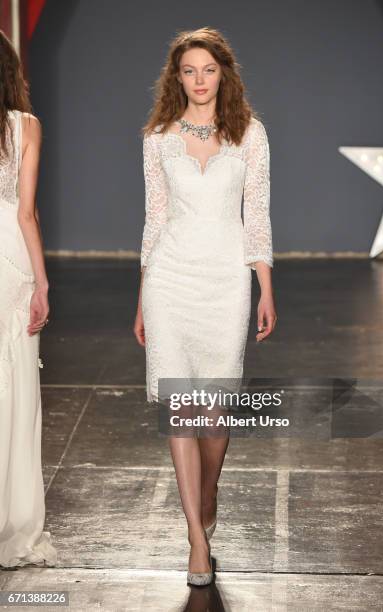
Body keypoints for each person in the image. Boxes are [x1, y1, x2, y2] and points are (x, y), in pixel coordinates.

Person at [134, 27, 277, 586]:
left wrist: (265, 284)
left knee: (214, 415)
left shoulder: (250, 134)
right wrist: (141, 296)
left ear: (224, 74)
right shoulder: (157, 138)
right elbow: (154, 218)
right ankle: (197, 536)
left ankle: (207, 491)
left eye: (208, 70)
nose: (198, 80)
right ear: (177, 77)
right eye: (189, 71)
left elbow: (257, 213)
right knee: (181, 409)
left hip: (223, 279)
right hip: (169, 279)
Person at [0, 30, 57, 569]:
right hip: (10, 258)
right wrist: (42, 282)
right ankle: (13, 520)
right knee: (16, 386)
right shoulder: (26, 126)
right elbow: (24, 211)